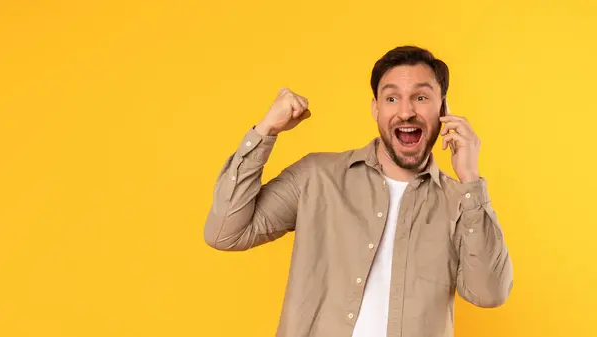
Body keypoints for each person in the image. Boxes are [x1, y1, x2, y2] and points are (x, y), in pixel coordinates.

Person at [203, 45, 513, 337]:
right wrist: (265, 130)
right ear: (375, 109)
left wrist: (471, 179)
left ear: (443, 108)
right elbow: (225, 233)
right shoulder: (317, 177)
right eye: (392, 98)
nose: (405, 112)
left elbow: (489, 293)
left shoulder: (461, 202)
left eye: (421, 97)